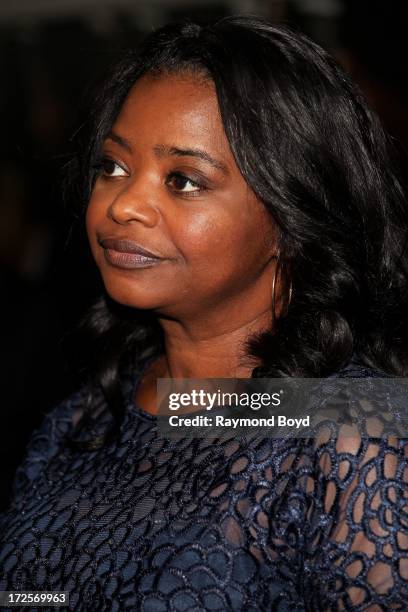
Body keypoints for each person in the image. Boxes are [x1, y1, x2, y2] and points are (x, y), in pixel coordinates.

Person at [1, 16, 407, 611]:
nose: (124, 205)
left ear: (292, 221)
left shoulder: (351, 447)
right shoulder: (83, 421)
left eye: (184, 180)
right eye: (113, 166)